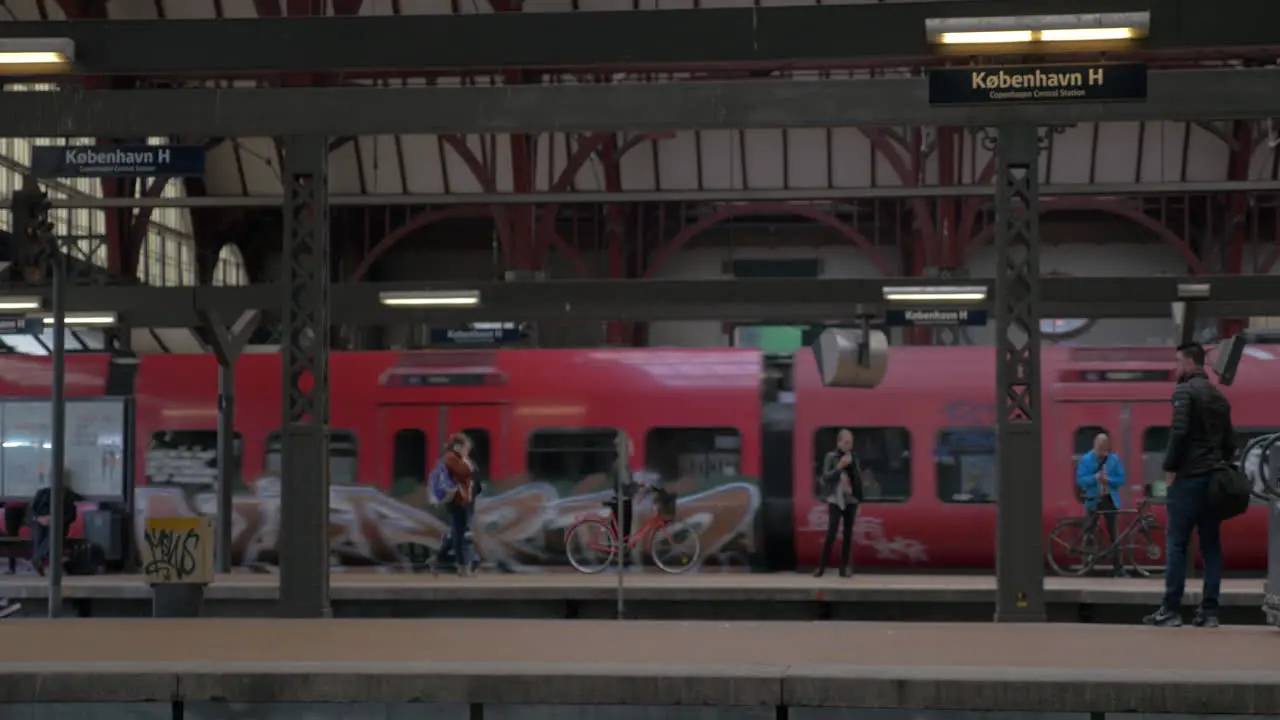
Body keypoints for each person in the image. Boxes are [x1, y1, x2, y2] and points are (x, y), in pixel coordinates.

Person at [1145, 342, 1234, 628]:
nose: (1176, 368)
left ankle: (1170, 610)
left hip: (1189, 478)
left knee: (1177, 543)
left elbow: (1179, 433)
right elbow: (1230, 444)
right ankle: (1209, 613)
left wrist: (1170, 467)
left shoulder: (1184, 392)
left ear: (1190, 363)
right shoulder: (1220, 398)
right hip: (1213, 480)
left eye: (1178, 362)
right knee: (1211, 546)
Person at [1075, 432, 1128, 577]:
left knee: (1114, 535)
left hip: (1109, 499)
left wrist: (1108, 480)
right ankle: (1086, 565)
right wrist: (1095, 478)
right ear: (1095, 447)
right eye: (1100, 451)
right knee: (1089, 532)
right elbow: (1080, 480)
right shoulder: (1086, 460)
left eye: (1104, 451)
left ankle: (1118, 568)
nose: (1102, 455)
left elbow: (1121, 479)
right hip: (1093, 499)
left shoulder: (1114, 460)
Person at [814, 429, 862, 578]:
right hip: (835, 499)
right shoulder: (831, 457)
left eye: (851, 443)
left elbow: (858, 480)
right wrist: (840, 466)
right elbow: (826, 477)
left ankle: (844, 568)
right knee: (832, 533)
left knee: (848, 534)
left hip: (850, 500)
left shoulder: (853, 457)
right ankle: (821, 567)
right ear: (839, 442)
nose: (849, 446)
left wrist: (859, 500)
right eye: (846, 443)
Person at [430, 433, 476, 577]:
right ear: (458, 446)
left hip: (462, 501)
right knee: (460, 535)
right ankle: (463, 567)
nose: (467, 450)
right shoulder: (452, 459)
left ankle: (439, 560)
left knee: (458, 533)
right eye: (466, 447)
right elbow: (465, 473)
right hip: (457, 501)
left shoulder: (456, 459)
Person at [29, 481, 78, 578]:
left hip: (58, 524)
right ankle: (40, 559)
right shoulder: (42, 493)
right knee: (39, 531)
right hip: (40, 522)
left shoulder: (67, 495)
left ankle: (38, 558)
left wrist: (54, 518)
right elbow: (31, 512)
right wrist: (40, 518)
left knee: (53, 531)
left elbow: (71, 515)